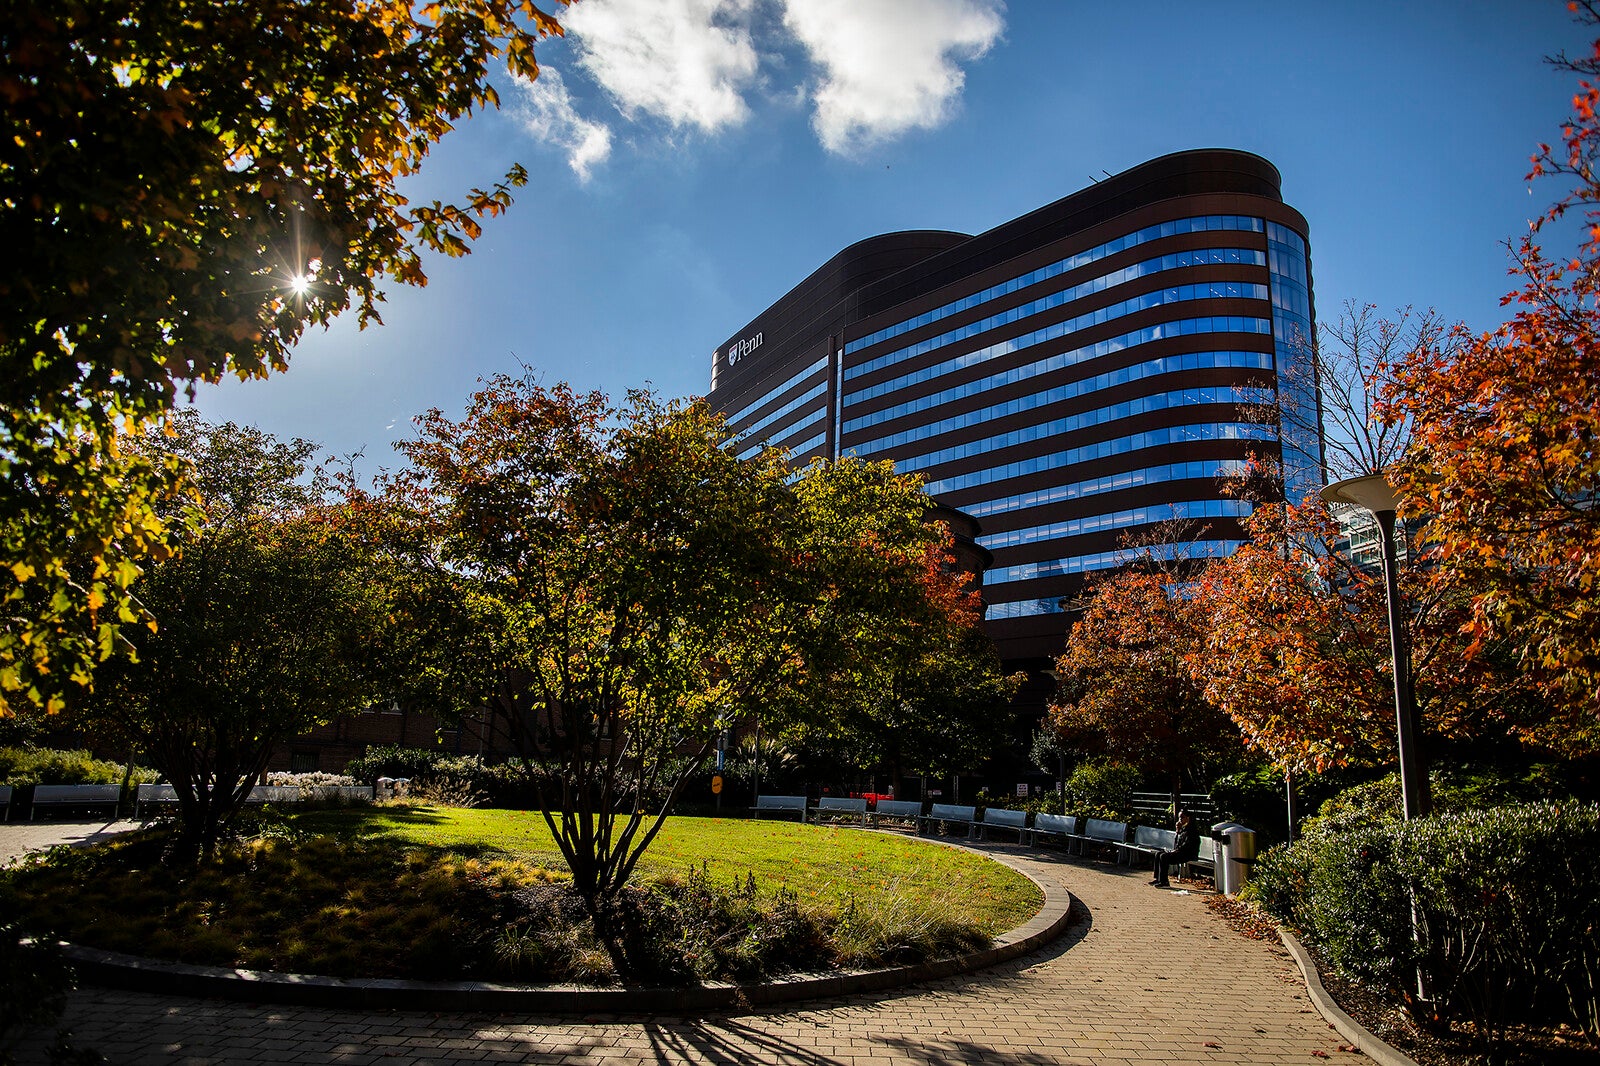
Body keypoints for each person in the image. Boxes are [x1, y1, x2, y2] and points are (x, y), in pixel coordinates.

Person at [1151, 808, 1199, 888]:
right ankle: (1158, 878)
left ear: (1188, 818)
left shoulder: (1192, 830)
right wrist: (1177, 831)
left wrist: (1175, 851)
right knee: (1158, 854)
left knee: (1164, 857)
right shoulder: (1183, 829)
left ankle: (1164, 882)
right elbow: (1177, 844)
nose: (1180, 820)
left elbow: (1187, 846)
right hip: (1180, 852)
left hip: (1188, 854)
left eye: (1182, 817)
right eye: (1179, 818)